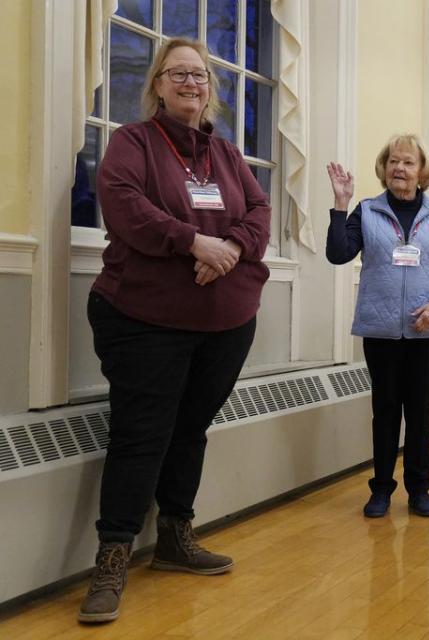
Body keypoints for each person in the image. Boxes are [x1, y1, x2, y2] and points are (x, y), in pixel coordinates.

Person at [79, 38, 271, 623]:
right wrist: (194, 241)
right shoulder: (131, 143)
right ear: (158, 85)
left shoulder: (228, 155)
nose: (191, 83)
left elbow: (259, 213)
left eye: (200, 75)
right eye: (178, 73)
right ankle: (112, 554)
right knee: (142, 434)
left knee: (191, 429)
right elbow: (123, 204)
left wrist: (232, 247)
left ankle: (174, 537)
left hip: (226, 321)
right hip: (144, 318)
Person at [326, 134, 429, 519]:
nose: (399, 169)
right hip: (381, 329)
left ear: (422, 172)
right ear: (383, 168)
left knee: (419, 412)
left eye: (407, 162)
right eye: (392, 162)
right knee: (385, 410)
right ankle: (381, 490)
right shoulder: (367, 210)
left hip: (424, 330)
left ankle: (419, 490)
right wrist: (341, 205)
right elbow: (338, 253)